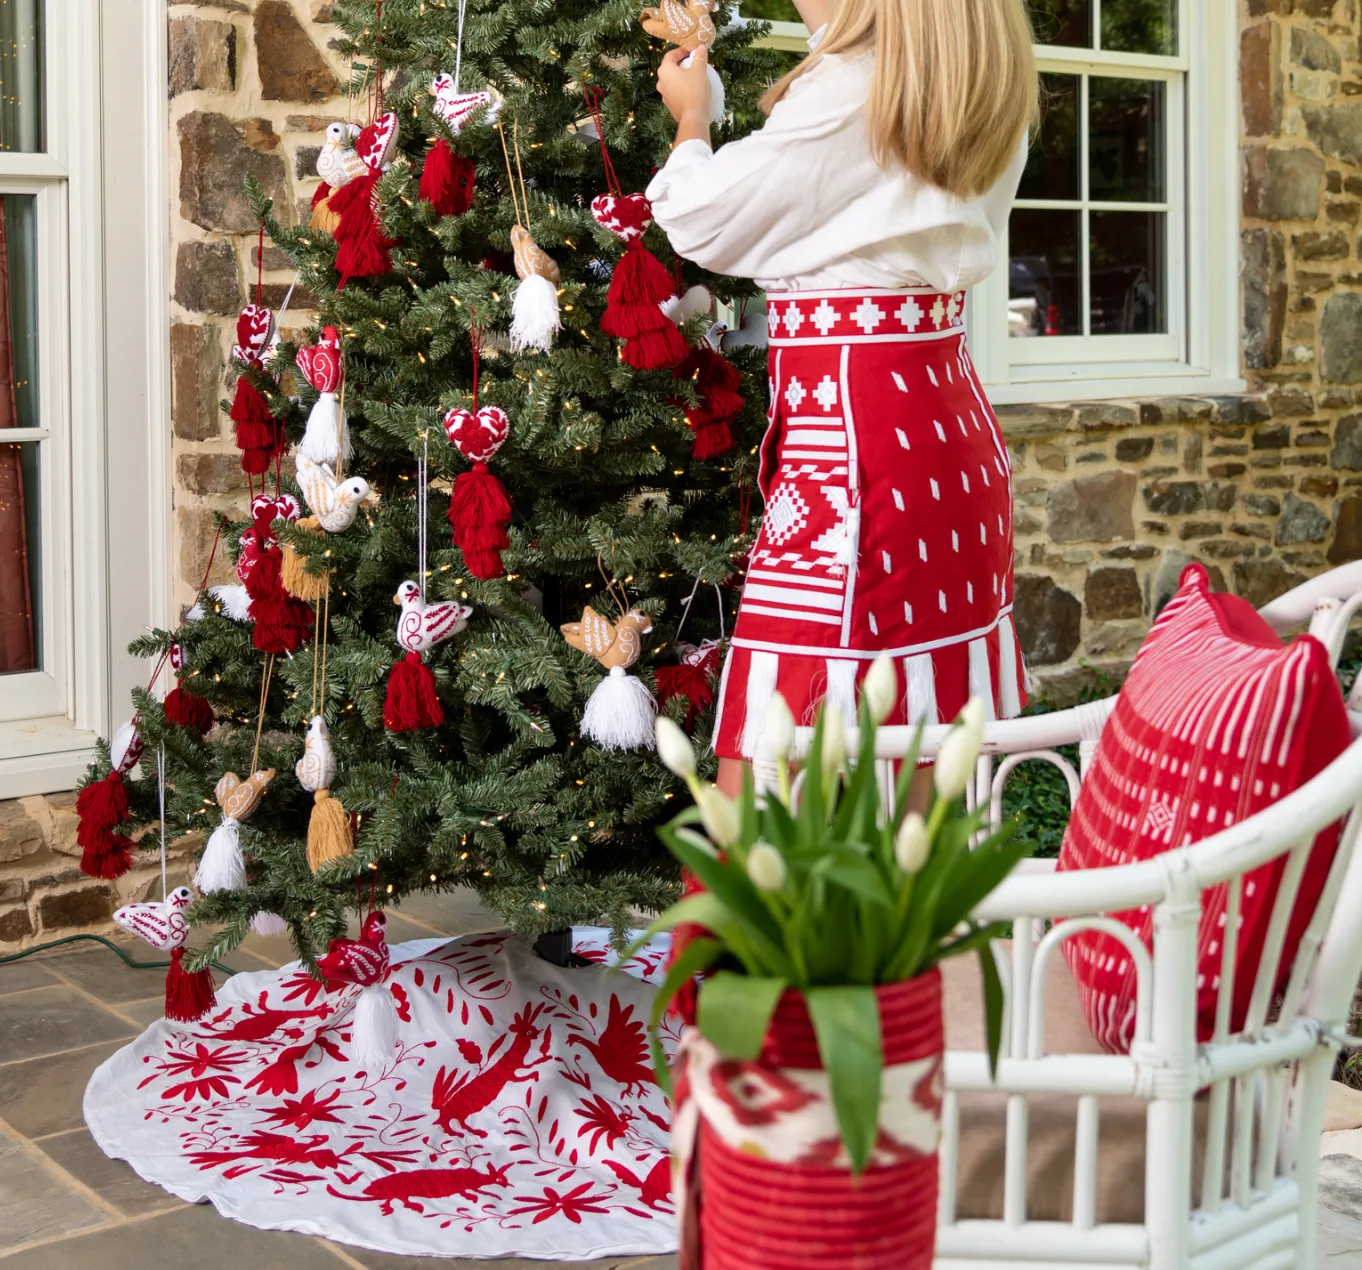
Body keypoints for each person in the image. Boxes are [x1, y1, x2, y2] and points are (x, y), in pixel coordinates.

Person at [648, 0, 1039, 795]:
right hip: (944, 434)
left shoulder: (856, 83)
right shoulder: (966, 81)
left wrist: (693, 120)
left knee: (773, 772)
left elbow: (700, 218)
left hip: (859, 450)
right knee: (921, 754)